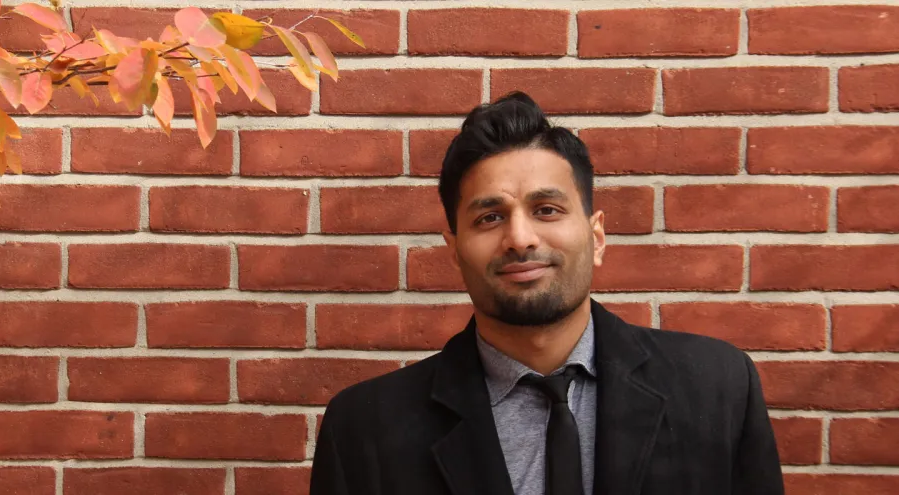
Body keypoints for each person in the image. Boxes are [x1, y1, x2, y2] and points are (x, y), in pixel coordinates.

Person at [309, 92, 785, 495]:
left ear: (596, 237)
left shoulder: (718, 388)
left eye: (547, 209)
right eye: (489, 217)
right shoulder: (364, 430)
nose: (520, 238)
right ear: (454, 248)